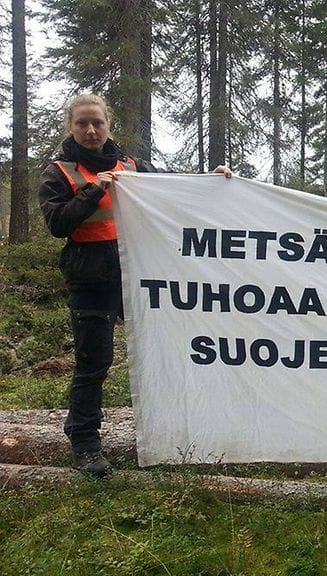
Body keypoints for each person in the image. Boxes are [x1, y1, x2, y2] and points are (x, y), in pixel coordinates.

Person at [38, 93, 232, 476]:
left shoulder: (131, 165)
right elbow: (58, 224)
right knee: (94, 363)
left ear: (108, 125)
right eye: (82, 123)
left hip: (141, 275)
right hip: (91, 280)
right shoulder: (59, 171)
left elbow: (172, 189)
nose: (91, 130)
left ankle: (182, 431)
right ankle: (85, 442)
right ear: (71, 127)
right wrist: (97, 189)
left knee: (169, 351)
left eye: (98, 122)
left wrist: (210, 180)